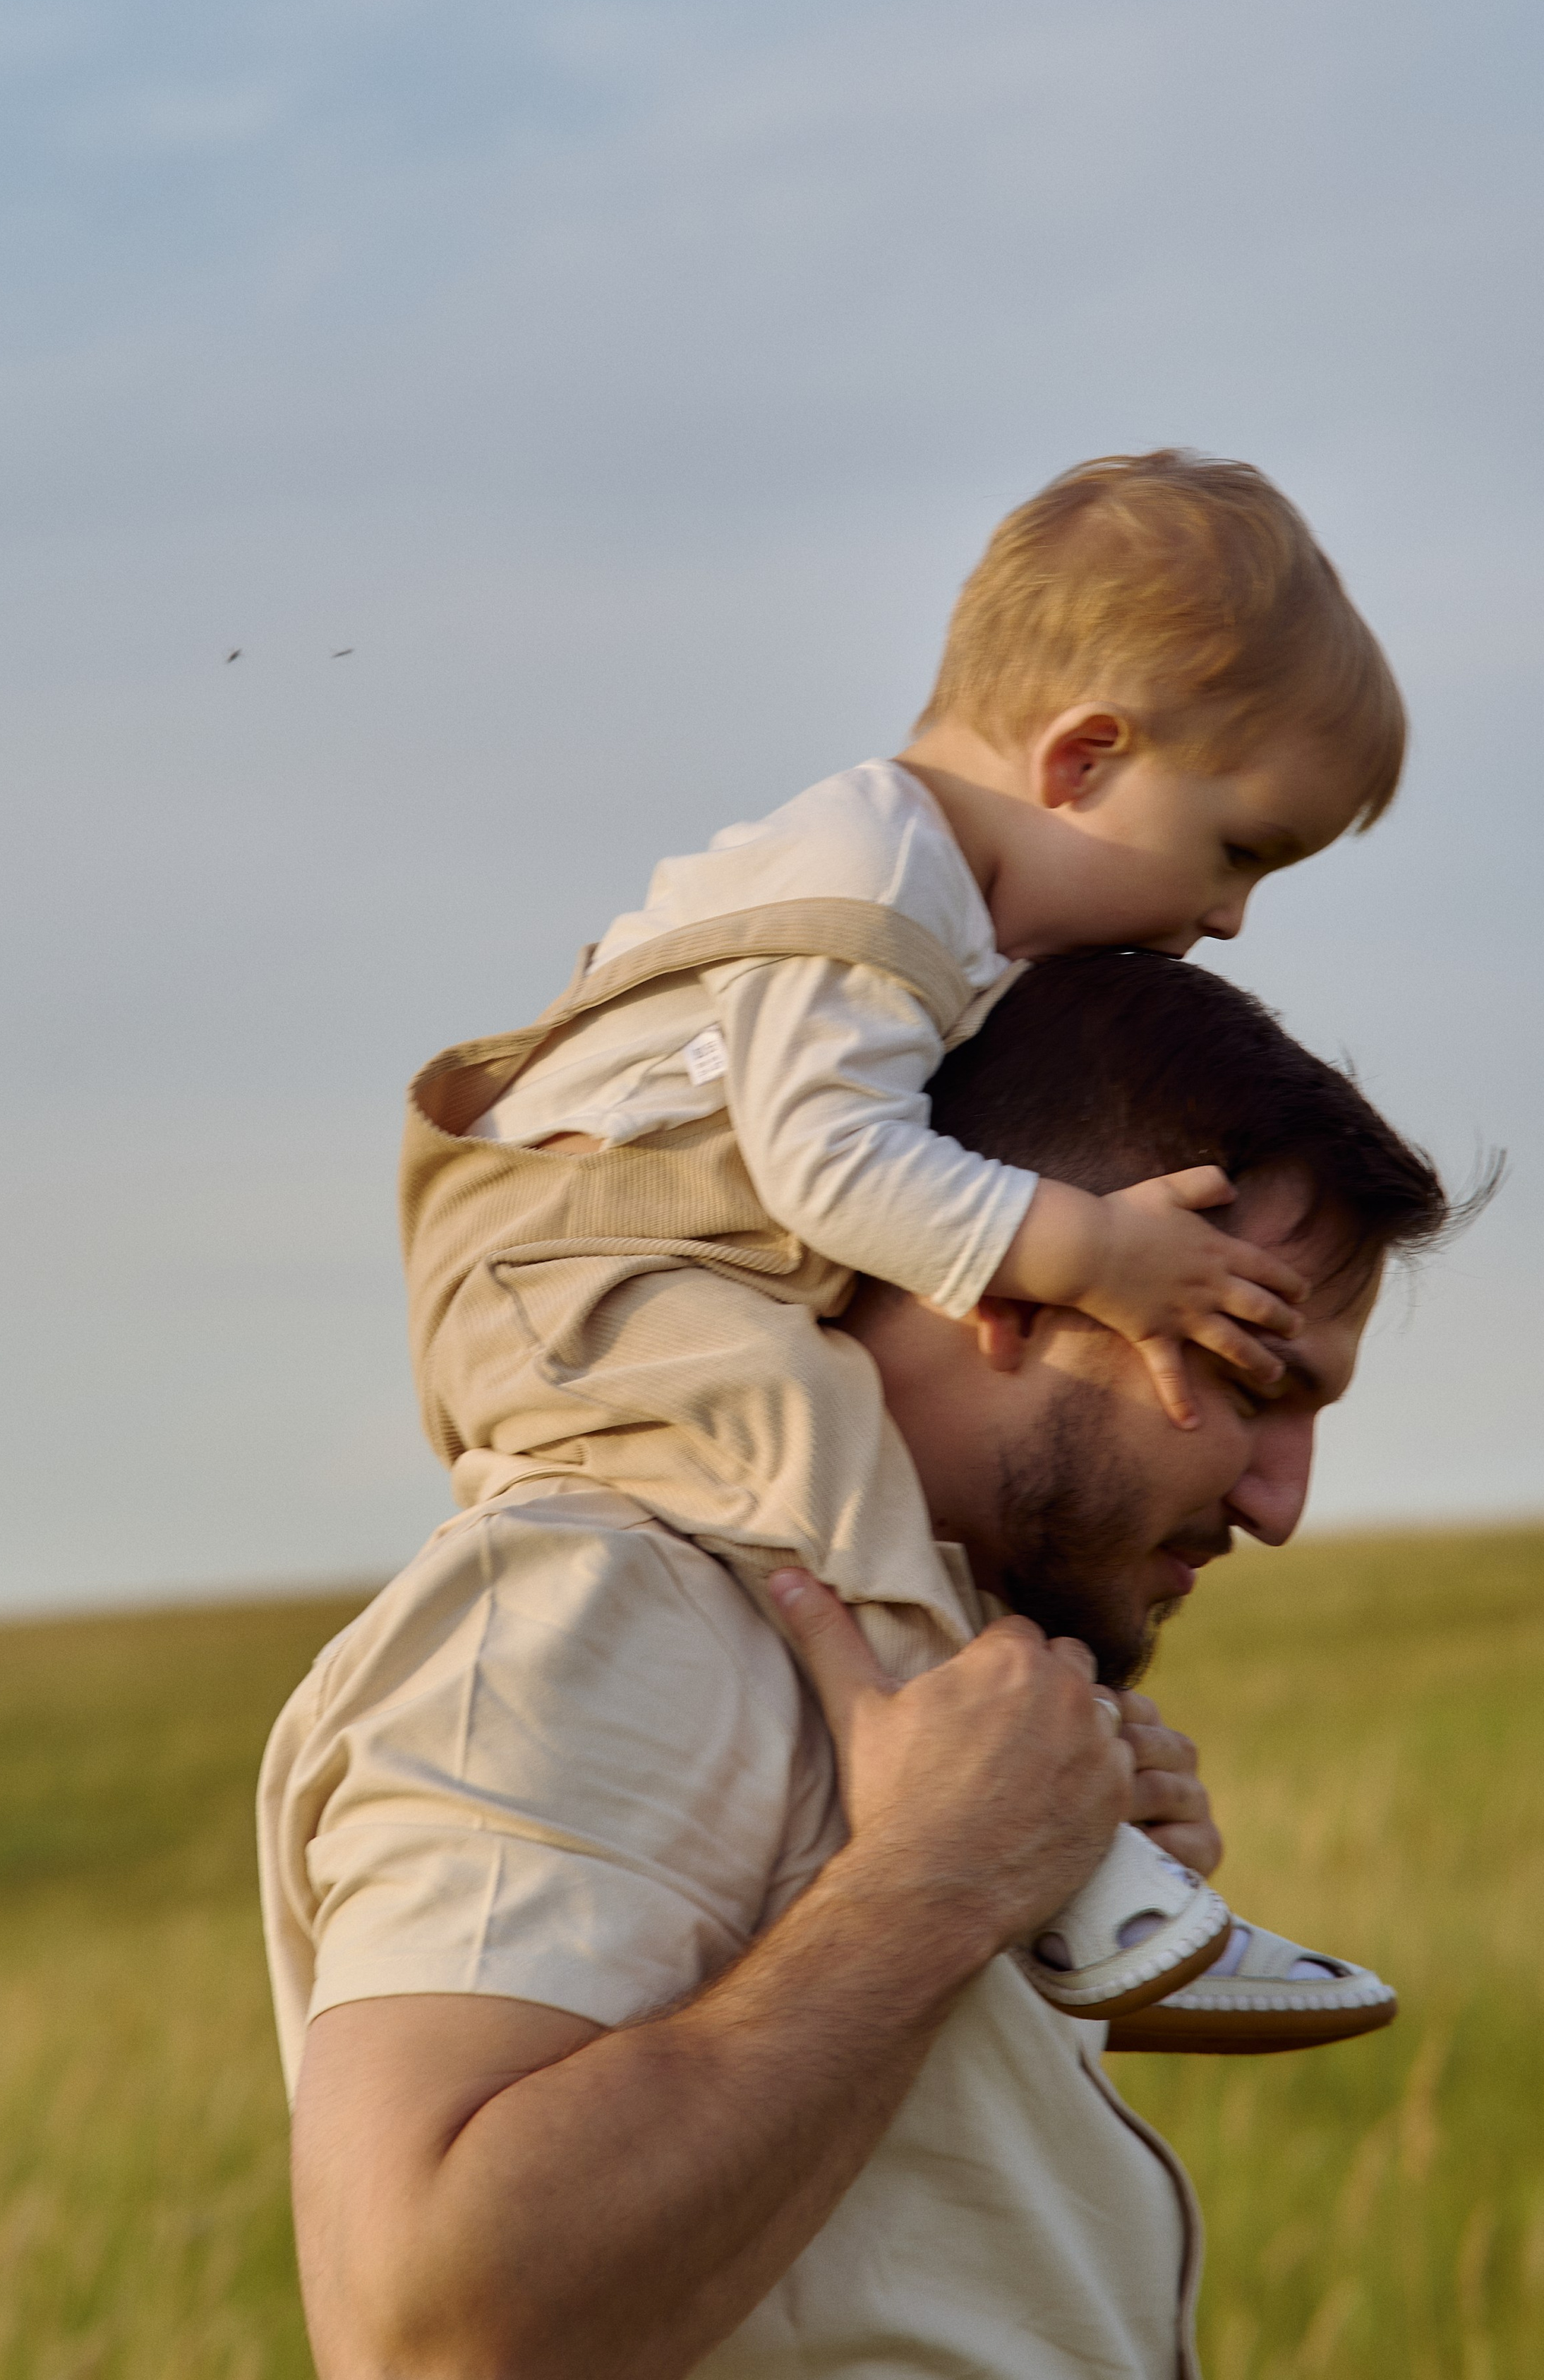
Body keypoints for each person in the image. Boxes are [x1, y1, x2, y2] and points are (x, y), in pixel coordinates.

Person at [259, 948, 1454, 2380]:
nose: (1280, 1502)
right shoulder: (588, 1603)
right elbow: (431, 2335)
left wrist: (1025, 1873)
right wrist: (933, 1883)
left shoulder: (890, 1654)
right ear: (994, 1276)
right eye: (1250, 1370)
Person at [397, 450, 1406, 2014]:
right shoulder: (869, 869)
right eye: (1237, 850)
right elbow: (822, 1160)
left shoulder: (918, 900)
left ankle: (1060, 1855)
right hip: (584, 1272)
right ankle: (1043, 1868)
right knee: (823, 1471)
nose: (1227, 919)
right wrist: (1091, 1252)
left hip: (618, 1263)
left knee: (850, 1493)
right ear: (1079, 759)